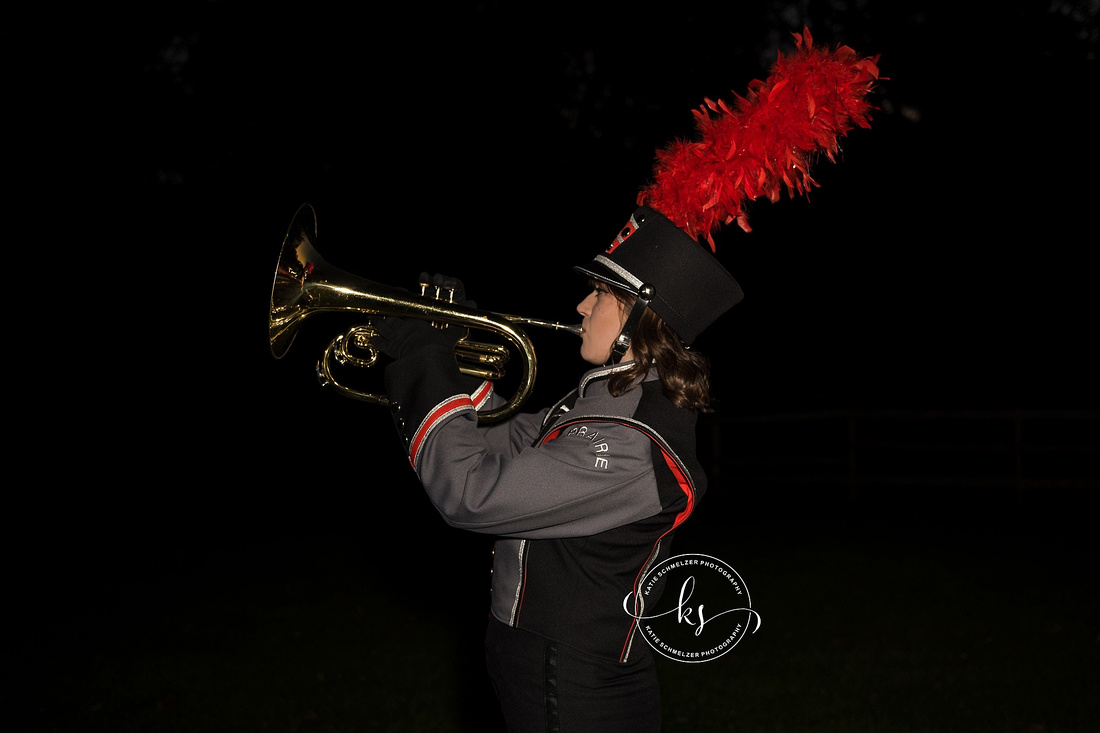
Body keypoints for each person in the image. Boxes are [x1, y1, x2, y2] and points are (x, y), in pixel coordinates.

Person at [375, 205, 743, 732]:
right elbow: (502, 441)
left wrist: (428, 364)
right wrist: (448, 350)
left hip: (569, 683)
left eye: (601, 295)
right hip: (544, 665)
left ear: (642, 318)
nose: (582, 305)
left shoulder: (627, 442)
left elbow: (471, 492)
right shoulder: (609, 401)